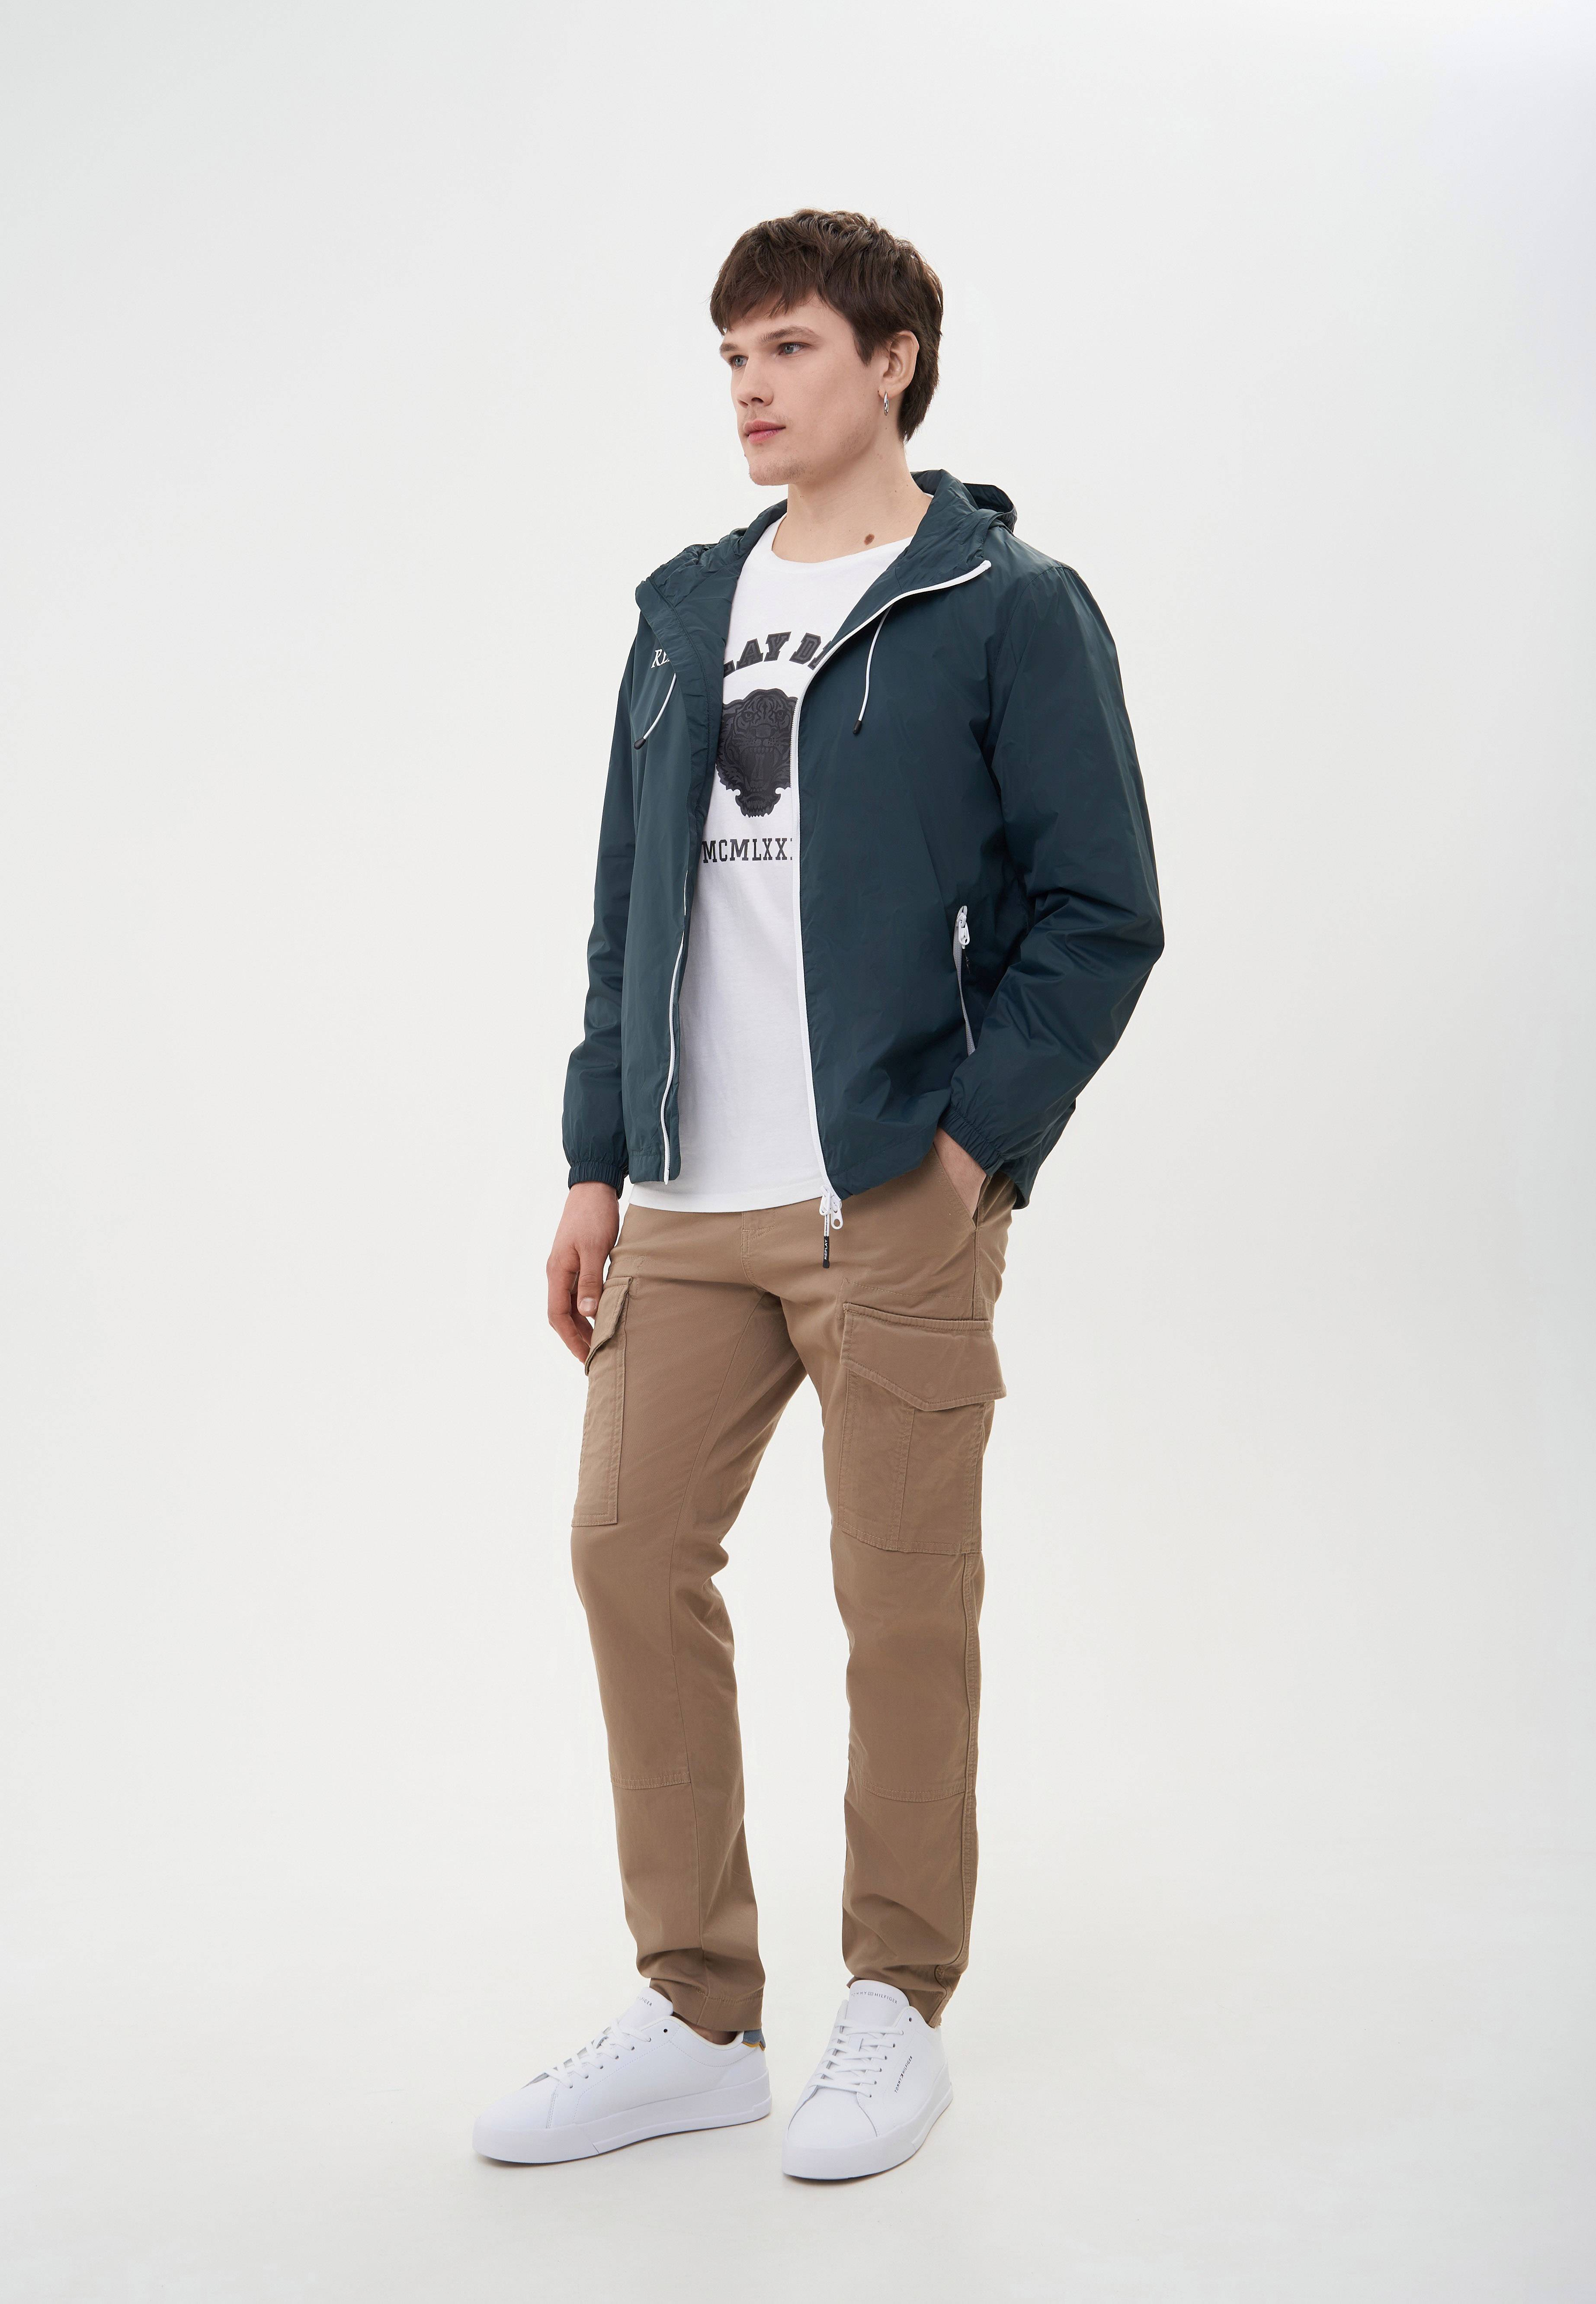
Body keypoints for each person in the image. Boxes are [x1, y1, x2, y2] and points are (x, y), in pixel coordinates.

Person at [473, 209, 1163, 2180]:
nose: (750, 389)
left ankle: (894, 2003)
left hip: (889, 1192)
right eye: (731, 357)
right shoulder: (685, 608)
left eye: (785, 349)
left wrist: (964, 1150)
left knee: (902, 1601)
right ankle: (698, 2010)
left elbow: (1098, 913)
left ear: (892, 361)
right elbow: (627, 911)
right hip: (688, 1200)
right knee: (625, 1552)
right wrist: (594, 1158)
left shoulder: (1006, 605)